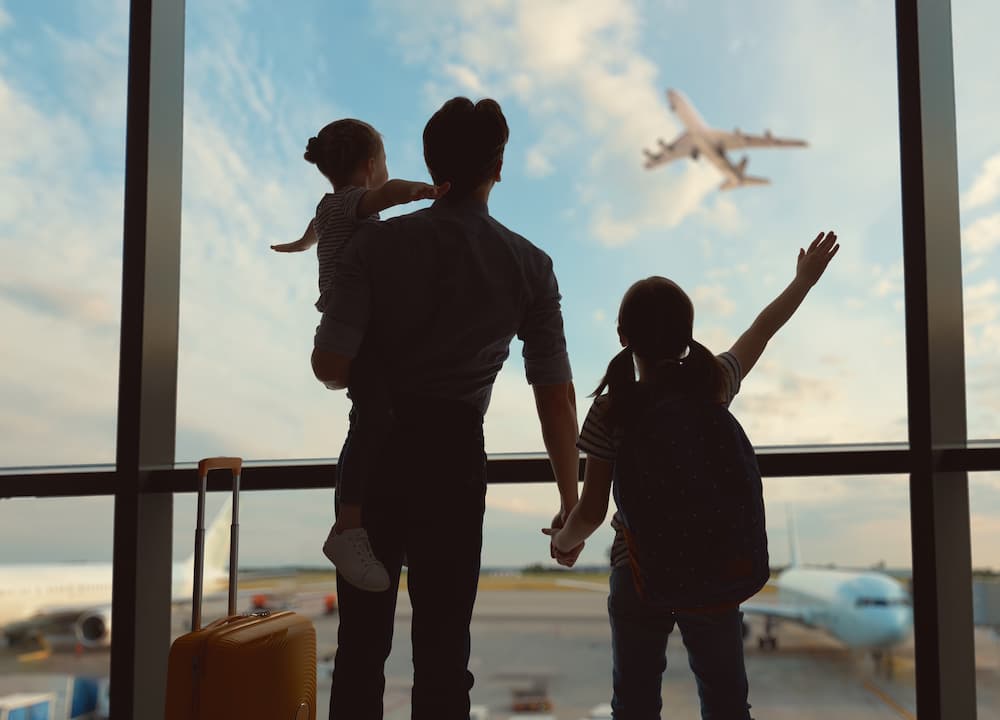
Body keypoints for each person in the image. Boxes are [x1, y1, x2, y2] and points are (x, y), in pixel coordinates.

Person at [310, 97, 580, 719]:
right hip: (455, 462)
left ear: (431, 162)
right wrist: (570, 499)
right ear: (499, 166)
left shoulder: (372, 249)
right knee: (442, 656)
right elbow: (555, 393)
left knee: (359, 653)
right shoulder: (531, 266)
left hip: (376, 457)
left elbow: (330, 367)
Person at [545, 231, 839, 719]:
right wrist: (802, 282)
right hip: (714, 564)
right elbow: (761, 331)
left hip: (637, 570)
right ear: (688, 333)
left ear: (622, 335)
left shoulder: (611, 411)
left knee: (635, 701)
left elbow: (593, 511)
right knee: (725, 701)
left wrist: (563, 542)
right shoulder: (713, 384)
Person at [272, 118, 449, 592]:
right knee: (372, 420)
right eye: (385, 166)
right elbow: (386, 196)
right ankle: (348, 528)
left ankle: (373, 521)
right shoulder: (354, 203)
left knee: (377, 417)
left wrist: (299, 245)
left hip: (346, 325)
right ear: (371, 167)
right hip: (355, 329)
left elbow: (313, 230)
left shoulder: (328, 207)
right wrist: (430, 191)